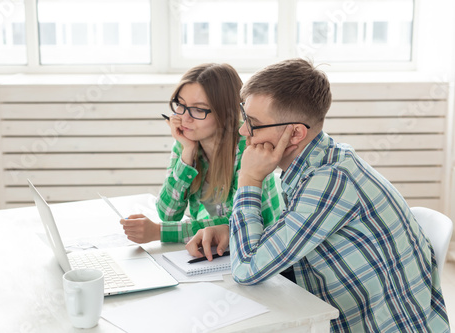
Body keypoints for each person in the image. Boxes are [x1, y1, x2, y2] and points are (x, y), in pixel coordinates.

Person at [186, 58, 450, 332]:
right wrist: (233, 233)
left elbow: (248, 270)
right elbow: (284, 239)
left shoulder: (329, 180)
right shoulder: (323, 160)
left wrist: (250, 180)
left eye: (253, 123)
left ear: (296, 133)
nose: (243, 132)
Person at [120, 63, 281, 245]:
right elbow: (168, 214)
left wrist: (160, 232)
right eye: (180, 105)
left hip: (259, 251)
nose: (184, 118)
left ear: (225, 112)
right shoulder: (186, 143)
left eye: (198, 109)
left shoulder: (249, 148)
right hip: (215, 252)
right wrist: (187, 153)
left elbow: (237, 224)